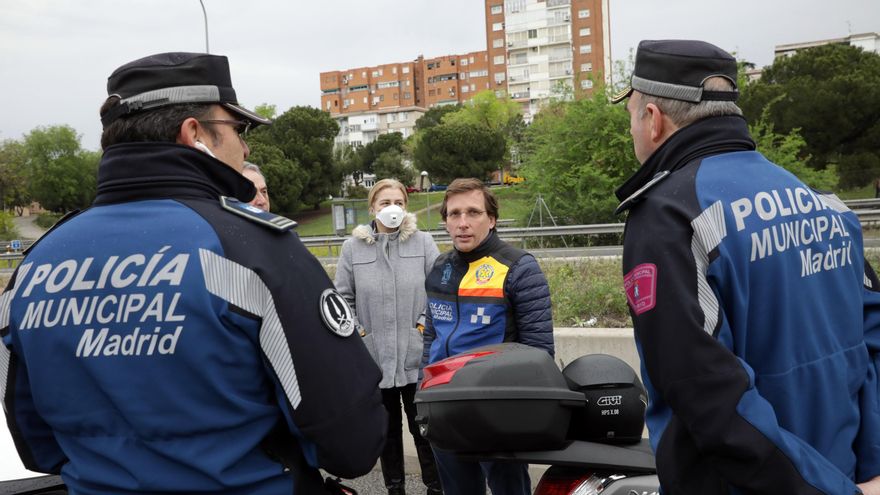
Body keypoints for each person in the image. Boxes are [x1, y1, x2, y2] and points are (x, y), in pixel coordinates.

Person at [0, 52, 387, 495]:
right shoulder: (252, 248)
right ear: (193, 132)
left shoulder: (34, 264)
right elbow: (352, 440)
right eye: (238, 131)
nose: (245, 148)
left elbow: (34, 444)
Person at [612, 39, 880, 494]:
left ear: (653, 120)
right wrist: (869, 469)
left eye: (631, 117)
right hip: (846, 474)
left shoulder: (669, 217)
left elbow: (706, 394)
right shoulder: (823, 204)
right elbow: (872, 335)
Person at [421, 178, 554, 495]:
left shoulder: (520, 268)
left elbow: (540, 352)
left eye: (473, 213)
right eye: (454, 214)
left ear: (492, 220)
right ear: (445, 221)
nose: (463, 224)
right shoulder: (440, 267)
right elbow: (431, 340)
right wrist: (422, 395)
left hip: (498, 409)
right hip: (444, 407)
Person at [334, 178, 442, 495]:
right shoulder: (352, 248)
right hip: (374, 358)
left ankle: (435, 487)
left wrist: (422, 325)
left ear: (406, 208)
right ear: (372, 208)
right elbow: (343, 299)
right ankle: (394, 488)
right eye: (385, 203)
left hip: (415, 356)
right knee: (387, 432)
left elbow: (438, 291)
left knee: (424, 429)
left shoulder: (422, 243)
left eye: (398, 202)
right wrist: (360, 333)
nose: (392, 209)